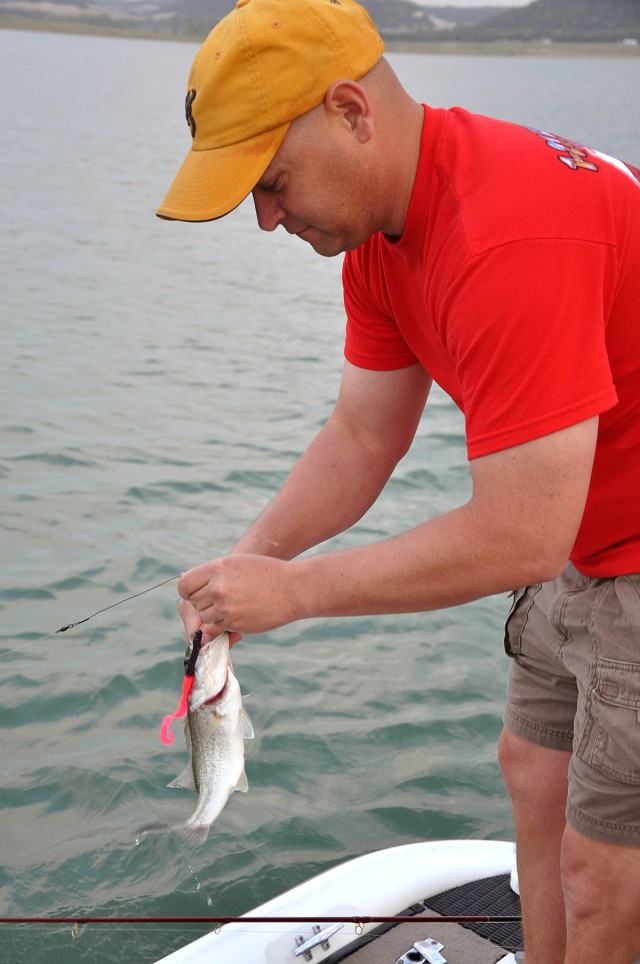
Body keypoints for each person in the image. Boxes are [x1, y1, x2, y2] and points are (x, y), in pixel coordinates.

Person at [156, 0, 640, 960]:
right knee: (531, 781)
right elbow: (361, 434)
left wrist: (293, 592)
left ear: (351, 111)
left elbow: (518, 535)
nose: (265, 219)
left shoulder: (506, 235)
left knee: (599, 874)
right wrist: (245, 569)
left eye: (272, 180)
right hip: (583, 536)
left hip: (602, 541)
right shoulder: (384, 235)